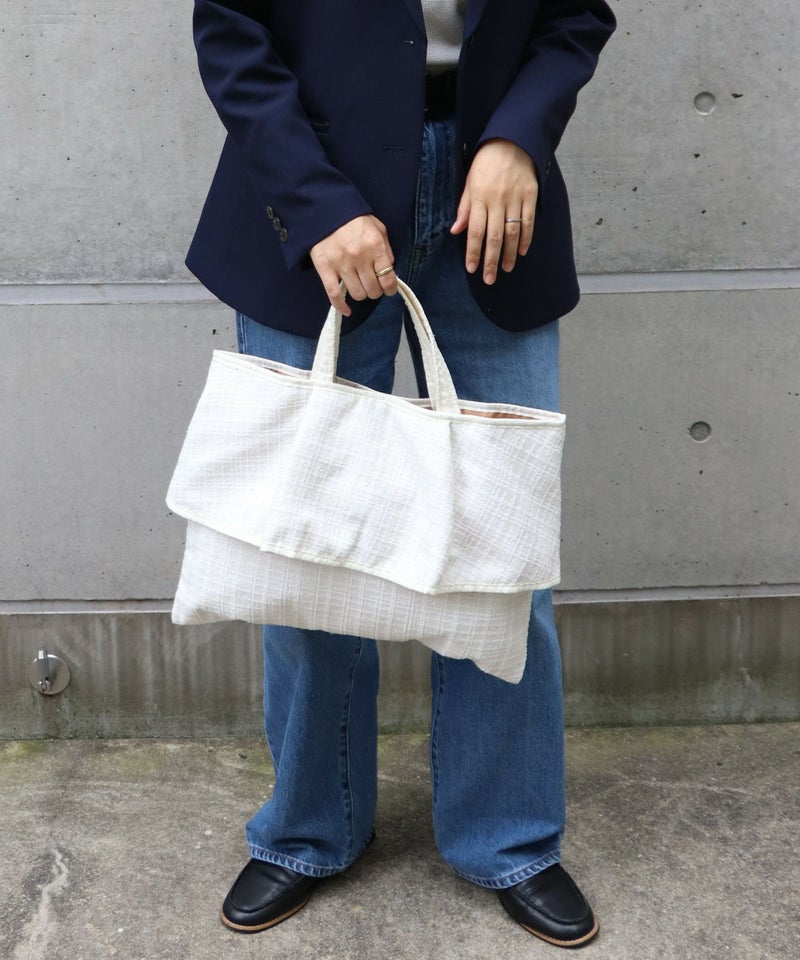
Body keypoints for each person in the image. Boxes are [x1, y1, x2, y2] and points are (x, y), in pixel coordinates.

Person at [186, 0, 615, 948]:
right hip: (316, 189)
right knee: (304, 549)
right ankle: (309, 828)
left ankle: (509, 838)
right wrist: (316, 204)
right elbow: (231, 30)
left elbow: (575, 16)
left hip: (494, 207)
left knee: (503, 554)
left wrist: (518, 137)